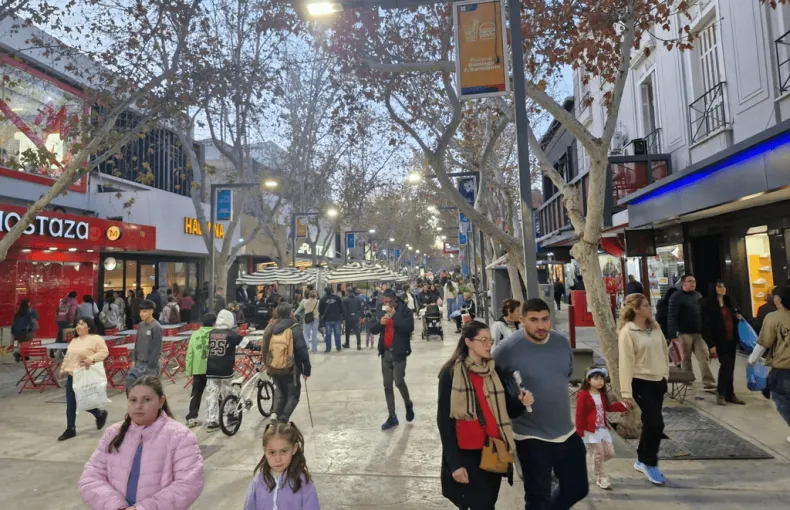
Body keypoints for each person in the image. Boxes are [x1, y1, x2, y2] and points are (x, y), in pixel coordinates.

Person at [493, 298, 589, 510]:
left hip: (565, 431)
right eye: (534, 320)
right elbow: (490, 379)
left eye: (545, 319)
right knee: (538, 500)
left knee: (578, 488)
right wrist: (513, 400)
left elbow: (566, 373)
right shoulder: (508, 349)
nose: (541, 325)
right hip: (530, 436)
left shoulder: (561, 342)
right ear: (522, 320)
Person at [438, 320, 533, 510]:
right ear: (468, 342)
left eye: (490, 340)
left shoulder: (493, 370)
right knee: (480, 504)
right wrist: (454, 464)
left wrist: (521, 402)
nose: (489, 345)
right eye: (483, 340)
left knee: (488, 502)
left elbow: (508, 409)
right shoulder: (451, 374)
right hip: (468, 454)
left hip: (494, 450)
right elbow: (444, 421)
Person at [79, 376, 204, 509]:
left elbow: (188, 484)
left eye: (147, 400)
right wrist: (116, 506)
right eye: (133, 400)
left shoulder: (180, 436)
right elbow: (91, 477)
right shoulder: (113, 433)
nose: (138, 406)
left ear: (161, 401)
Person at [618, 293, 670, 485]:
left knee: (650, 423)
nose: (650, 308)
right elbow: (625, 363)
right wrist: (626, 393)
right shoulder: (628, 332)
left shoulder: (655, 327)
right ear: (636, 309)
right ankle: (649, 462)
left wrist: (665, 374)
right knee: (656, 424)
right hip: (640, 382)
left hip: (658, 381)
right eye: (646, 305)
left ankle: (641, 459)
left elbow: (664, 351)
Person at [366, 289, 415, 430]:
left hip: (399, 353)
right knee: (387, 385)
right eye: (385, 301)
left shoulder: (404, 310)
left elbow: (409, 328)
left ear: (395, 300)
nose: (387, 304)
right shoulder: (381, 310)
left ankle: (408, 403)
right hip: (385, 352)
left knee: (399, 381)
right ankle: (392, 416)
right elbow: (373, 329)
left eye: (389, 301)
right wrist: (380, 323)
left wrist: (394, 316)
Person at [575, 367, 630, 490]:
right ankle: (601, 477)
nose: (600, 381)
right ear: (588, 380)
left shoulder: (602, 394)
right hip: (590, 430)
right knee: (599, 453)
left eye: (601, 378)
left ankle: (596, 464)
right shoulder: (583, 395)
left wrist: (623, 405)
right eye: (596, 378)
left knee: (610, 453)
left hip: (603, 429)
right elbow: (579, 414)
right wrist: (579, 431)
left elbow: (608, 407)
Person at [243, 421, 319, 510]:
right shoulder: (258, 480)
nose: (278, 459)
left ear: (294, 449)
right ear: (265, 451)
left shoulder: (304, 483)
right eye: (272, 452)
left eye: (283, 451)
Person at [56, 318, 109, 441]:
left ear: (88, 326)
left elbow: (104, 352)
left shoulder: (95, 339)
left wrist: (91, 358)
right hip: (72, 375)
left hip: (85, 375)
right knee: (71, 403)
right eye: (77, 325)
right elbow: (68, 356)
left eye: (81, 324)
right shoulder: (74, 341)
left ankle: (100, 414)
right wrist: (63, 369)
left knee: (84, 401)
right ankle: (71, 428)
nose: (78, 327)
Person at [749, 286, 790, 442]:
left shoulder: (773, 317)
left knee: (781, 399)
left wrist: (752, 360)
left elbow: (763, 343)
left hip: (783, 368)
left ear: (779, 299)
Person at [262, 303, 311, 423]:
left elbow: (264, 346)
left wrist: (267, 365)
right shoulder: (294, 327)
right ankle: (283, 420)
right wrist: (306, 370)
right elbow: (302, 350)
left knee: (280, 391)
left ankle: (274, 414)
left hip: (274, 366)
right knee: (293, 395)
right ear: (290, 313)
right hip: (290, 369)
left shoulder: (271, 326)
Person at [668, 273, 716, 389]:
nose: (693, 283)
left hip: (699, 332)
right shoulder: (676, 297)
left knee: (704, 356)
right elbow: (672, 315)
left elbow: (703, 313)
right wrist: (672, 334)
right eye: (690, 281)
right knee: (686, 358)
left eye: (694, 281)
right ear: (683, 283)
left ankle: (708, 381)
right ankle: (687, 380)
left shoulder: (698, 295)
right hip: (684, 332)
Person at [701, 281, 746, 406]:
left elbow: (735, 314)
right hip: (718, 341)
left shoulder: (729, 301)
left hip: (731, 339)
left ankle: (730, 394)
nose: (723, 288)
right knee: (726, 365)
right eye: (719, 286)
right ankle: (721, 393)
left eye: (724, 286)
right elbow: (705, 326)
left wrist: (738, 317)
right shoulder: (707, 304)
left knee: (731, 367)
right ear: (713, 288)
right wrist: (711, 344)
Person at [205, 309, 250, 431]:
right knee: (228, 392)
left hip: (211, 368)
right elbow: (246, 343)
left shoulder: (211, 333)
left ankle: (212, 420)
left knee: (212, 394)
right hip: (225, 368)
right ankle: (231, 415)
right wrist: (257, 347)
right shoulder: (232, 334)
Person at [184, 313, 216, 428]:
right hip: (213, 368)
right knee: (213, 393)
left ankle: (191, 418)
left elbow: (190, 353)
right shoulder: (216, 334)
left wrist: (188, 370)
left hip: (198, 369)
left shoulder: (195, 334)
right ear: (214, 323)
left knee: (196, 394)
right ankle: (213, 418)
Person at [128, 300, 163, 387]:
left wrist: (151, 366)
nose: (141, 314)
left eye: (144, 311)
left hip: (150, 365)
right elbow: (137, 343)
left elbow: (156, 348)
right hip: (138, 363)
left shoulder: (156, 326)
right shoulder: (140, 325)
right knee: (131, 383)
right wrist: (133, 360)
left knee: (149, 390)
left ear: (151, 311)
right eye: (140, 311)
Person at [318, 286, 344, 353]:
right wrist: (339, 313)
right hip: (336, 318)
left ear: (325, 291)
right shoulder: (337, 298)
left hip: (327, 319)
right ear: (332, 290)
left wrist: (323, 314)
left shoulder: (323, 299)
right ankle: (338, 347)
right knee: (337, 334)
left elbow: (320, 309)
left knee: (328, 334)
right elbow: (341, 307)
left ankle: (328, 348)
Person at [343, 285, 363, 350]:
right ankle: (358, 344)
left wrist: (343, 318)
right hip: (356, 316)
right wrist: (360, 315)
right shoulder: (358, 299)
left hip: (348, 317)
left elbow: (344, 310)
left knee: (347, 331)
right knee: (357, 331)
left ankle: (347, 344)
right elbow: (360, 308)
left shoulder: (345, 299)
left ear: (348, 292)